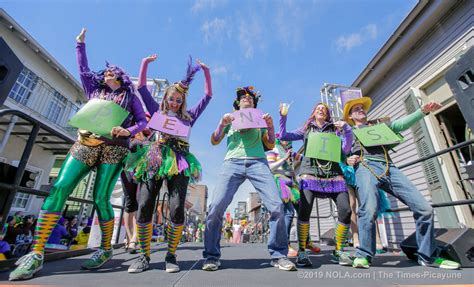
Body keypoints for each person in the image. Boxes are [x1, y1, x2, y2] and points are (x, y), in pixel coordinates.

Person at [9, 28, 147, 281]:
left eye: (113, 72)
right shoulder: (93, 90)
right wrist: (79, 45)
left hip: (114, 147)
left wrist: (127, 131)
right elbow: (83, 70)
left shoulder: (130, 96)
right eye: (106, 71)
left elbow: (141, 122)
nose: (108, 73)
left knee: (101, 198)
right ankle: (36, 252)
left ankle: (105, 248)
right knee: (60, 186)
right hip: (85, 142)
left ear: (121, 76)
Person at [343, 96, 460, 270]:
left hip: (389, 167)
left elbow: (400, 124)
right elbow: (341, 153)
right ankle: (363, 255)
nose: (361, 109)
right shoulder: (348, 132)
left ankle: (427, 256)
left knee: (424, 209)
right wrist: (348, 159)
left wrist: (423, 111)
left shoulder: (379, 126)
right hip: (365, 166)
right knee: (368, 209)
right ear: (350, 116)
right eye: (356, 109)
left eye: (362, 107)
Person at [127, 54, 212, 274]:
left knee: (176, 208)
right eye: (171, 99)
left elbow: (208, 95)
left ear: (182, 101)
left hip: (180, 160)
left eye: (178, 100)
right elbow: (143, 87)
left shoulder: (189, 116)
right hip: (155, 157)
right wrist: (144, 63)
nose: (174, 102)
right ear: (165, 98)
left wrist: (207, 72)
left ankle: (171, 255)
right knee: (144, 204)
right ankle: (144, 255)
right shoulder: (157, 110)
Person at [202, 86, 296, 272]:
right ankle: (211, 256)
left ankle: (278, 255)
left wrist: (269, 126)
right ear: (238, 102)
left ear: (254, 104)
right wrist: (221, 123)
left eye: (250, 98)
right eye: (243, 97)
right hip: (232, 162)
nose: (247, 99)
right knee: (216, 208)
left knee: (276, 205)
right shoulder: (230, 118)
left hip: (258, 162)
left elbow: (269, 144)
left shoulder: (259, 118)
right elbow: (214, 140)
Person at [279, 102, 353, 267]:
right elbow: (283, 135)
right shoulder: (306, 129)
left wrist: (347, 130)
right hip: (310, 173)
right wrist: (283, 118)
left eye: (324, 109)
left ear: (327, 115)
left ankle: (339, 250)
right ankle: (303, 251)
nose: (321, 110)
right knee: (305, 211)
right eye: (318, 108)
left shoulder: (335, 129)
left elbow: (346, 149)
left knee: (346, 210)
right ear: (313, 113)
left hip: (333, 174)